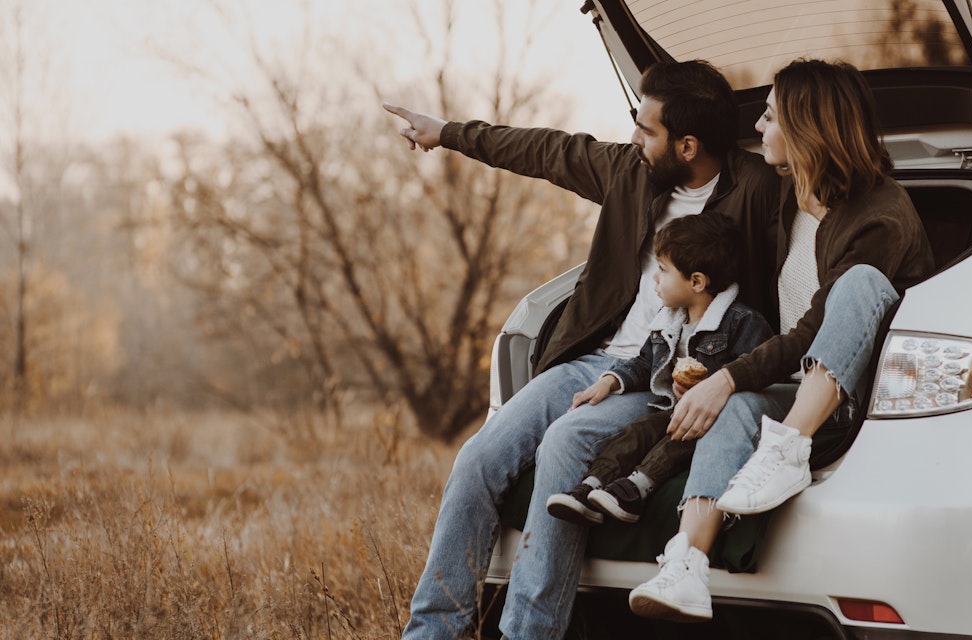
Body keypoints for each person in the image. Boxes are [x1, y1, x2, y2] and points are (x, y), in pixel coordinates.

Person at [384, 60, 781, 640]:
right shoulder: (631, 172)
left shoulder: (757, 192)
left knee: (566, 443)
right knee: (477, 460)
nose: (634, 137)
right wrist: (446, 132)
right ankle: (432, 631)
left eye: (647, 130)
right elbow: (546, 150)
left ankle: (529, 632)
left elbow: (789, 279)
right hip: (593, 361)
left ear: (688, 145)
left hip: (663, 379)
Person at [627, 58, 936, 623]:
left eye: (769, 117)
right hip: (790, 390)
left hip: (850, 402)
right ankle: (687, 563)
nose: (760, 129)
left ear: (806, 128)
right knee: (737, 407)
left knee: (859, 284)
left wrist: (727, 375)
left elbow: (815, 328)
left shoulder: (881, 217)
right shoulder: (789, 200)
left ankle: (786, 450)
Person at [546, 213, 773, 526]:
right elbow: (643, 363)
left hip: (711, 421)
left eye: (663, 271)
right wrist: (610, 381)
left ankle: (636, 489)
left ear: (696, 281)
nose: (654, 279)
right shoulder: (669, 322)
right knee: (637, 432)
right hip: (675, 411)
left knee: (676, 440)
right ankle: (590, 487)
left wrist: (709, 387)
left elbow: (755, 375)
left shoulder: (741, 322)